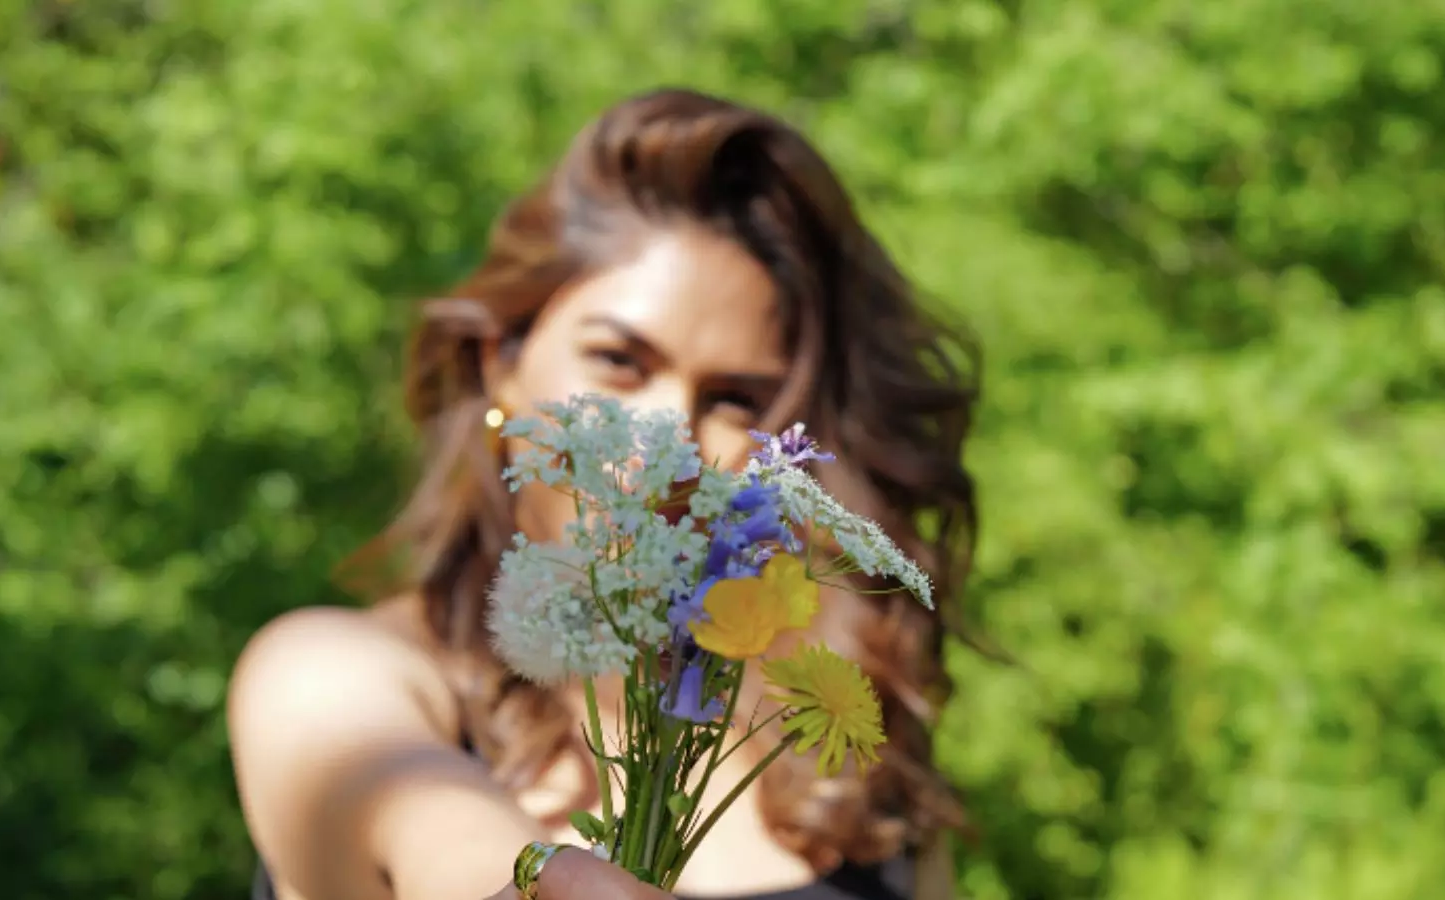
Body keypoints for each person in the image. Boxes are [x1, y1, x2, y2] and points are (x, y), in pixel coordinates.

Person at [228, 88, 979, 900]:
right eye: (620, 363)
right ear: (499, 364)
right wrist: (532, 880)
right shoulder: (340, 678)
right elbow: (420, 819)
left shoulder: (839, 755)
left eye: (736, 398)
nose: (671, 441)